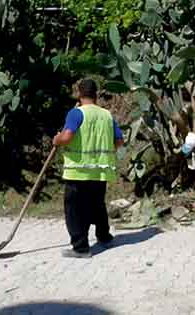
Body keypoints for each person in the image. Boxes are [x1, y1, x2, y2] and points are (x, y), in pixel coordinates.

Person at [53, 79, 125, 259]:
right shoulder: (107, 115)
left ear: (79, 93)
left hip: (78, 170)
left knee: (75, 210)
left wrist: (57, 140)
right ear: (96, 94)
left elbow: (67, 137)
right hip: (100, 169)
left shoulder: (76, 113)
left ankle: (81, 247)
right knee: (97, 205)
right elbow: (119, 141)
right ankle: (104, 237)